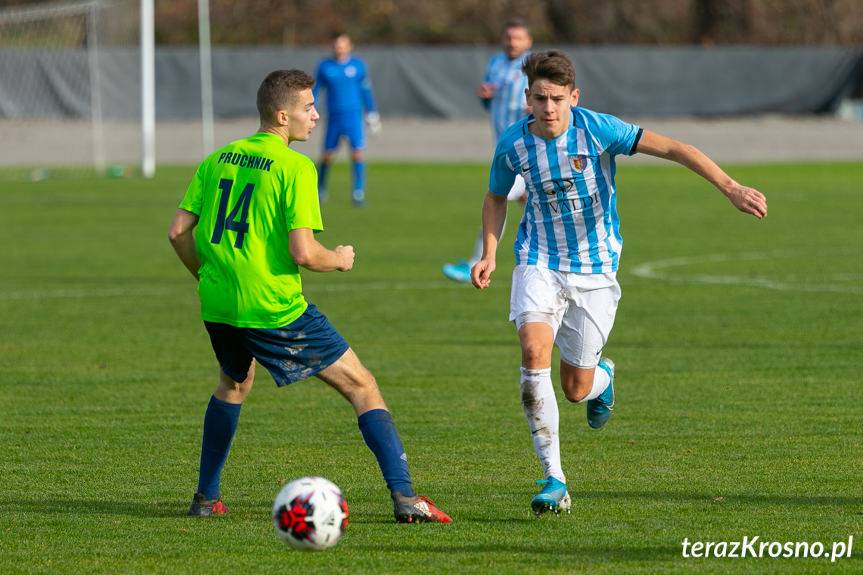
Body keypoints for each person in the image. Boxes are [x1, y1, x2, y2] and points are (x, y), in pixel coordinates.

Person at [471, 51, 768, 516]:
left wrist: (730, 187)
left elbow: (674, 148)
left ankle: (602, 378)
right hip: (538, 260)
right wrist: (489, 253)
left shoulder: (597, 129)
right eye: (539, 98)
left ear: (574, 97)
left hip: (595, 270)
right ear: (527, 98)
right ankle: (554, 478)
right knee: (533, 354)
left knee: (575, 388)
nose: (548, 108)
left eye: (557, 99)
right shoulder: (513, 144)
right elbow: (495, 196)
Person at [168, 69, 450, 524]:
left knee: (234, 384)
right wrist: (339, 258)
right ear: (283, 116)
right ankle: (405, 498)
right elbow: (304, 253)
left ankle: (205, 498)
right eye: (308, 107)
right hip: (273, 307)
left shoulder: (218, 157)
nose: (316, 115)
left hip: (218, 303)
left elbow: (177, 231)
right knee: (363, 385)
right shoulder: (296, 167)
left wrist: (205, 274)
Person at [442, 19, 532, 283]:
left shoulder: (533, 65)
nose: (512, 42)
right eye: (509, 37)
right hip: (503, 143)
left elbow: (546, 94)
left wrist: (536, 107)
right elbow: (489, 100)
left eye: (518, 38)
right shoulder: (495, 63)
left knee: (498, 196)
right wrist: (485, 96)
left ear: (528, 42)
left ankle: (475, 262)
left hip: (525, 145)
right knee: (532, 198)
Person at [313, 32, 381, 207]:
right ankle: (321, 189)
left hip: (353, 117)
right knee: (327, 156)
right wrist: (309, 109)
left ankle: (358, 192)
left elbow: (366, 90)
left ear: (350, 46)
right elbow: (316, 91)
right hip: (334, 117)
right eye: (336, 45)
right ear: (332, 46)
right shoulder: (325, 66)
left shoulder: (358, 66)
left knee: (357, 153)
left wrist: (372, 113)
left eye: (343, 45)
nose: (339, 48)